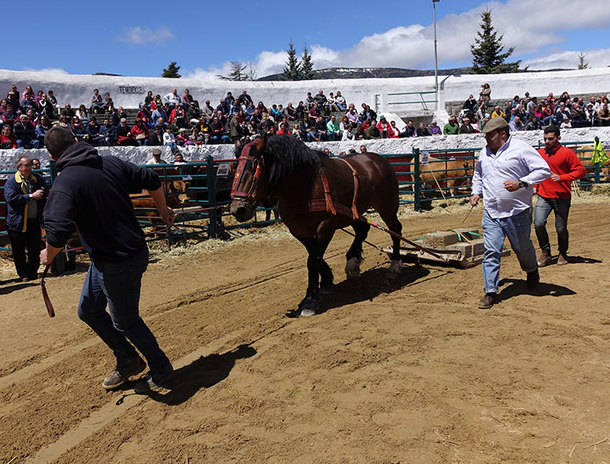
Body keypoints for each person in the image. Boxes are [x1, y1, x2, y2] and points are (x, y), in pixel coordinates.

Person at [40, 126, 175, 391]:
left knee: (124, 321)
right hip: (112, 256)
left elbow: (56, 233)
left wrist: (48, 255)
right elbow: (152, 179)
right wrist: (163, 210)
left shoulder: (64, 183)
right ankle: (128, 359)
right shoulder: (110, 163)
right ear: (77, 141)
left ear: (52, 157)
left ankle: (161, 367)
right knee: (88, 310)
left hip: (119, 260)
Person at [470, 117, 551, 309]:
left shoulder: (521, 149)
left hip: (517, 212)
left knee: (522, 248)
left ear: (503, 134)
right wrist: (476, 192)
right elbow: (478, 175)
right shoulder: (484, 153)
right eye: (486, 135)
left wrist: (521, 182)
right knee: (491, 250)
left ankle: (531, 271)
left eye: (490, 135)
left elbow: (544, 170)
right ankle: (490, 291)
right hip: (491, 211)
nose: (487, 139)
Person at [534, 126, 586, 266]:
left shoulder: (567, 153)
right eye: (545, 139)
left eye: (550, 139)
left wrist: (563, 177)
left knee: (561, 228)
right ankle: (546, 252)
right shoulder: (539, 153)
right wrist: (534, 186)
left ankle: (562, 252)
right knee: (538, 223)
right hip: (543, 195)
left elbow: (581, 171)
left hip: (562, 196)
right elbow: (533, 170)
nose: (547, 141)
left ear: (558, 138)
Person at [4, 156, 46, 281]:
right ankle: (23, 274)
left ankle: (32, 272)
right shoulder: (11, 182)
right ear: (19, 167)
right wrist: (30, 196)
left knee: (34, 249)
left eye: (30, 165)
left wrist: (42, 190)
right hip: (17, 222)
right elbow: (11, 198)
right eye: (26, 165)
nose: (30, 168)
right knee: (18, 250)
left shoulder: (36, 179)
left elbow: (44, 186)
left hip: (33, 219)